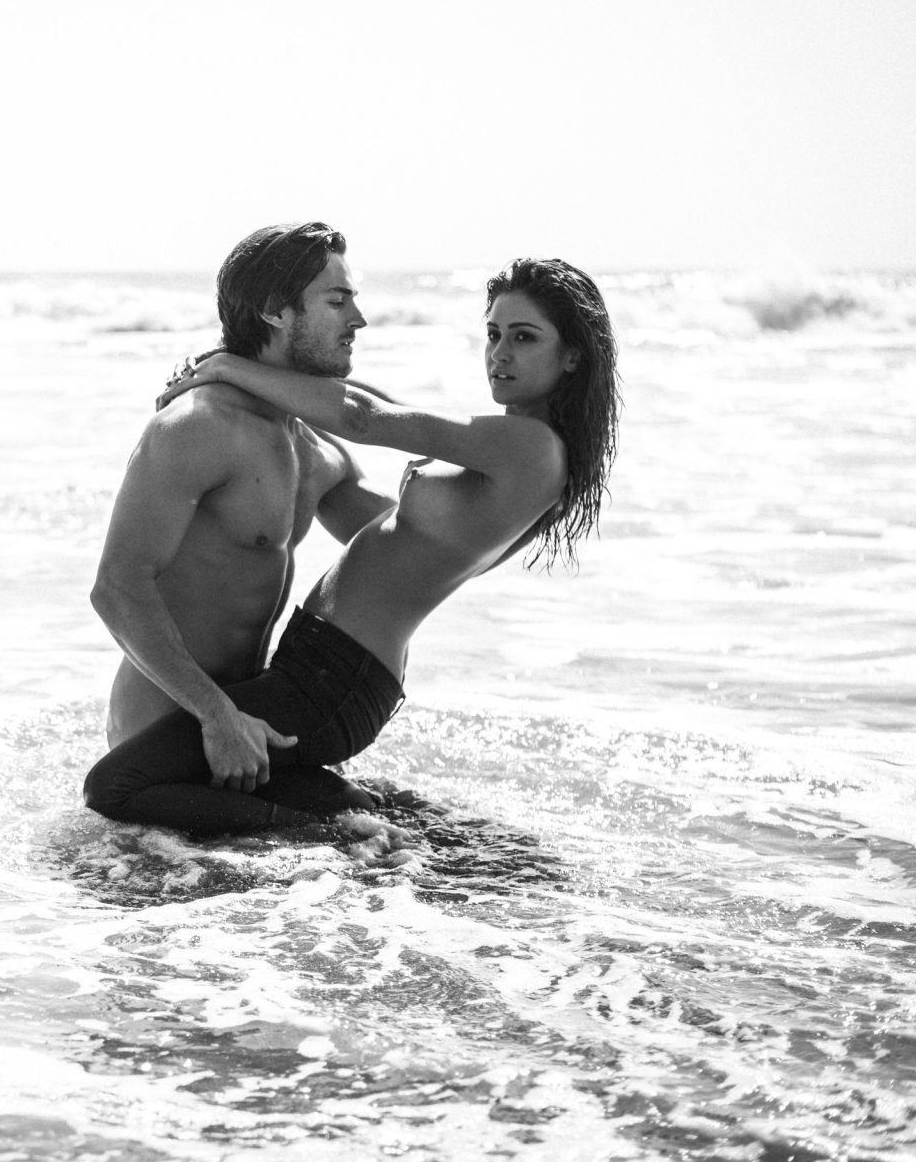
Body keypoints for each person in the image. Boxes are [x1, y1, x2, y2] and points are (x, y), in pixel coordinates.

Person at [84, 256, 620, 833]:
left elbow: (366, 418)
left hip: (334, 677)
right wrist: (255, 383)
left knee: (115, 786)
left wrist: (226, 367)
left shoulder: (532, 447)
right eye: (493, 333)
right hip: (337, 675)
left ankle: (325, 836)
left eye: (524, 337)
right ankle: (346, 811)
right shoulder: (522, 448)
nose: (500, 353)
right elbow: (382, 436)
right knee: (217, 774)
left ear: (572, 356)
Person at [90, 222, 393, 801]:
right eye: (338, 301)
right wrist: (217, 715)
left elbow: (417, 537)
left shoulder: (316, 450)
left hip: (248, 733)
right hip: (162, 742)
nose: (358, 319)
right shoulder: (197, 427)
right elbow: (117, 587)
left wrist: (533, 458)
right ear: (276, 311)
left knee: (380, 831)